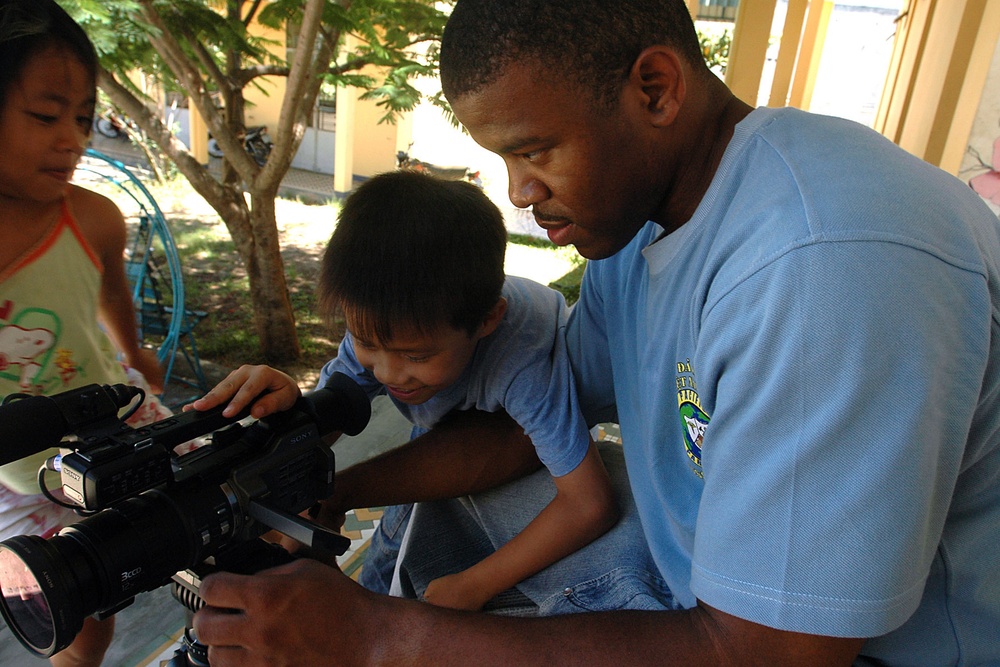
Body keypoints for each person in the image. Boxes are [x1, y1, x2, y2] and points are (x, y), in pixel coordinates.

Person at [192, 0, 1000, 664]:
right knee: (437, 527)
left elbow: (769, 652)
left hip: (839, 646)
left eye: (534, 150)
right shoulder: (644, 225)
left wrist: (378, 638)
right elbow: (527, 431)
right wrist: (329, 486)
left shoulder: (822, 269)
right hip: (698, 578)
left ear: (655, 89)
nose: (518, 192)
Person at [192, 168, 641, 611]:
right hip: (445, 412)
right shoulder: (384, 327)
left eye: (417, 356)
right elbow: (321, 427)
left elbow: (589, 503)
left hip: (513, 423)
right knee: (392, 547)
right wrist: (285, 417)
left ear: (487, 320)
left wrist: (474, 585)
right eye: (366, 343)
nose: (389, 373)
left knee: (419, 552)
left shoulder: (523, 367)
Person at [0, 1, 171, 665]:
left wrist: (135, 353)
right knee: (66, 608)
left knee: (202, 516)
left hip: (111, 419)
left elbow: (112, 291)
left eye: (82, 118)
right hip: (14, 473)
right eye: (46, 116)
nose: (71, 138)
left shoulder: (93, 217)